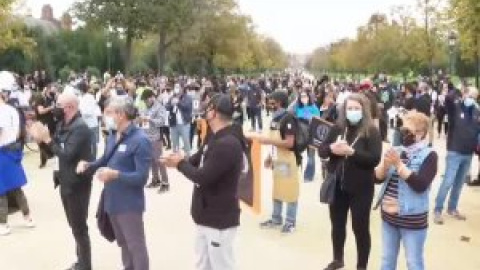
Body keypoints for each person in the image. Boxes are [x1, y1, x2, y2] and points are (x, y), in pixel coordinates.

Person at [161, 94, 244, 270]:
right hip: (204, 213)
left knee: (222, 265)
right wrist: (178, 159)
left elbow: (203, 177)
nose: (205, 111)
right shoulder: (214, 136)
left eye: (208, 108)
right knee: (202, 264)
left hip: (219, 218)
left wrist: (180, 164)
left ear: (214, 112)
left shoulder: (228, 143)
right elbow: (198, 158)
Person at [77, 97, 153, 270]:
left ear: (121, 114)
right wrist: (88, 165)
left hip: (129, 204)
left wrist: (116, 175)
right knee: (124, 244)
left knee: (136, 247)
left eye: (109, 112)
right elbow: (105, 159)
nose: (105, 116)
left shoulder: (140, 140)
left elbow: (141, 178)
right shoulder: (112, 136)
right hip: (112, 201)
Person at [30, 92, 93, 270]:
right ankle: (80, 261)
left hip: (77, 184)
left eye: (58, 105)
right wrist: (41, 141)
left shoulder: (80, 127)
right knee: (74, 225)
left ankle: (85, 266)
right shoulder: (62, 125)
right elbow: (53, 152)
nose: (54, 108)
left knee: (79, 228)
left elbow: (67, 154)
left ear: (69, 107)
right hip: (65, 181)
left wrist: (47, 139)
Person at [318, 94, 382, 270]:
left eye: (356, 109)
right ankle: (337, 258)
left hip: (361, 188)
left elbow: (374, 159)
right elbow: (322, 151)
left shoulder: (372, 131)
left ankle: (362, 265)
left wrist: (351, 152)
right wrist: (332, 148)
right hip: (338, 186)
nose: (352, 112)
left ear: (364, 111)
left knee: (360, 228)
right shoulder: (338, 128)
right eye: (349, 108)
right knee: (337, 225)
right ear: (344, 110)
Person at [374, 111, 438, 270]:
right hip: (389, 217)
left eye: (409, 132)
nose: (405, 135)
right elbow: (377, 178)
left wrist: (399, 165)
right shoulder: (397, 149)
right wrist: (385, 164)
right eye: (403, 130)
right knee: (387, 260)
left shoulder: (430, 155)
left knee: (414, 262)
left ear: (421, 133)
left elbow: (421, 184)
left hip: (412, 219)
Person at [250, 91, 301, 234]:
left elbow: (290, 143)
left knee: (290, 191)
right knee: (278, 190)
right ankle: (276, 218)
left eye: (272, 102)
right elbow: (275, 142)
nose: (269, 104)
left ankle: (290, 222)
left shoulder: (288, 118)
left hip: (288, 159)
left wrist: (268, 141)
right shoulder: (274, 119)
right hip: (278, 159)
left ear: (279, 102)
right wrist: (270, 157)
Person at [434, 86, 480, 224]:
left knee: (459, 183)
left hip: (468, 153)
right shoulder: (455, 108)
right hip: (454, 150)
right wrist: (459, 91)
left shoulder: (477, 111)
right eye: (470, 96)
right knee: (448, 181)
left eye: (475, 97)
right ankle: (438, 209)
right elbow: (448, 98)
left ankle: (452, 208)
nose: (472, 99)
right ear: (464, 95)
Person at [0, 79, 35, 236]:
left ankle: (3, 223)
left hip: (3, 152)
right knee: (16, 188)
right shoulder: (12, 110)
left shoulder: (2, 111)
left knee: (1, 190)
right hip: (13, 149)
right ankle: (27, 218)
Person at [140, 89, 170, 193]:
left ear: (152, 97)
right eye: (144, 101)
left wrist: (150, 120)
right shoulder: (146, 107)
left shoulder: (159, 107)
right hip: (147, 137)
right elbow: (143, 119)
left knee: (159, 160)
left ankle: (165, 183)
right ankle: (155, 179)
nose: (145, 102)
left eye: (146, 100)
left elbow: (161, 122)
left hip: (156, 137)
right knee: (152, 160)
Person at [293, 90, 320, 182]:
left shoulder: (314, 108)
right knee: (297, 153)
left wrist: (309, 118)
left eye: (305, 96)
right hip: (300, 135)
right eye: (302, 96)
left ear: (309, 97)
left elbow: (318, 122)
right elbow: (290, 113)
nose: (304, 98)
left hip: (311, 134)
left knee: (311, 156)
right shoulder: (297, 108)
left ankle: (309, 175)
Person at [166, 85, 193, 156]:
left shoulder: (187, 97)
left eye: (178, 87)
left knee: (186, 141)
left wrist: (178, 103)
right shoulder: (172, 97)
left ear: (182, 88)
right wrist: (171, 104)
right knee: (175, 143)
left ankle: (188, 157)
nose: (176, 89)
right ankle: (176, 157)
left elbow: (187, 107)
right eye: (175, 87)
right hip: (174, 123)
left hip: (184, 124)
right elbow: (166, 107)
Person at [78, 81, 101, 160]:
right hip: (84, 124)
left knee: (93, 143)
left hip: (92, 124)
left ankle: (93, 159)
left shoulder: (89, 97)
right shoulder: (80, 98)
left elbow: (89, 111)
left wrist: (80, 112)